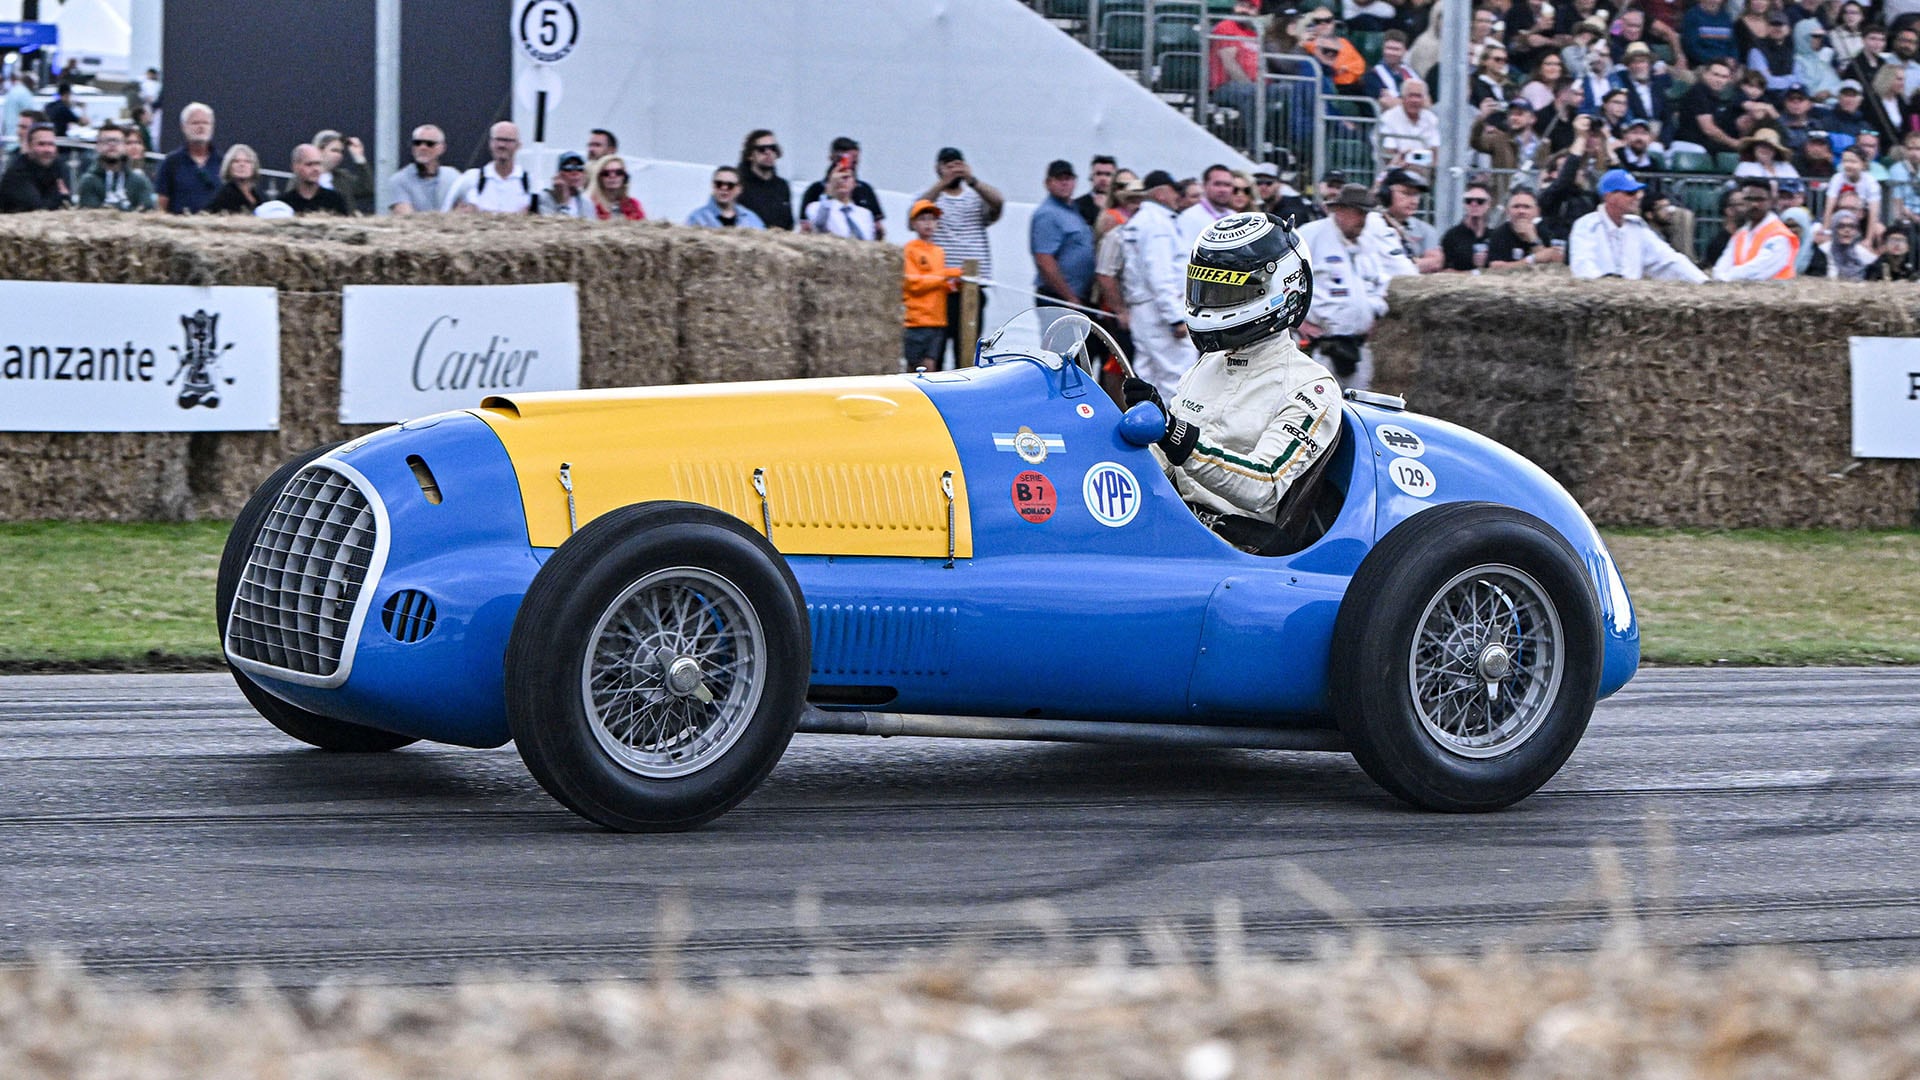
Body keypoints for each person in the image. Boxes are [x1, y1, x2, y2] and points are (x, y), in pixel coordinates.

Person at [1120, 214, 1339, 549]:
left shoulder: (1310, 386)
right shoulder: (1208, 364)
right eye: (1205, 289)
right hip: (1172, 521)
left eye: (1226, 292)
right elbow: (1164, 465)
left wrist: (1177, 437)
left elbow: (1265, 485)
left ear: (1280, 288)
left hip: (1233, 546)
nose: (1210, 303)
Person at [1295, 184, 1401, 388]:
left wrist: (1374, 313)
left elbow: (1380, 283)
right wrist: (1299, 323)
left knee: (1358, 411)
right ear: (1340, 210)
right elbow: (1282, 281)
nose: (1363, 220)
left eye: (1366, 214)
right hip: (1320, 349)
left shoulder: (1367, 243)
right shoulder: (1311, 236)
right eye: (1358, 212)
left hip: (1357, 349)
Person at [919, 146, 1002, 367]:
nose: (954, 169)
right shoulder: (933, 199)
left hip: (972, 288)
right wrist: (942, 183)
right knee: (934, 352)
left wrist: (972, 180)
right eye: (948, 165)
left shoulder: (975, 198)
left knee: (966, 350)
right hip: (940, 289)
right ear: (937, 168)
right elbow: (916, 211)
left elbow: (999, 203)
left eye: (957, 164)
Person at [1116, 170, 1192, 396]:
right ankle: (1173, 428)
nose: (1178, 196)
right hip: (1158, 310)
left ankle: (1150, 424)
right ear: (1161, 193)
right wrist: (1175, 317)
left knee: (1148, 374)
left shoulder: (1142, 220)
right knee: (1177, 374)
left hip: (1143, 308)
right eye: (1174, 191)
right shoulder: (1157, 223)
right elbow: (1159, 274)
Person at [1569, 169, 1707, 280]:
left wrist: (1702, 281)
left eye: (1638, 192)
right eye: (1630, 193)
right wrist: (1605, 284)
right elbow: (1583, 265)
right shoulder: (1586, 226)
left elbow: (1668, 260)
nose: (1638, 196)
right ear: (1609, 196)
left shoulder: (1637, 227)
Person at [901, 199, 962, 369]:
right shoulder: (910, 250)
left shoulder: (938, 251)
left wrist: (953, 285)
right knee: (915, 368)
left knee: (931, 367)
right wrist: (947, 275)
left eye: (932, 219)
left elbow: (936, 283)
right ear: (913, 224)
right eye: (923, 219)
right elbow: (913, 284)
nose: (928, 223)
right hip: (917, 321)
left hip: (938, 320)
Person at [1031, 158, 1096, 311]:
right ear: (1048, 183)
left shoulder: (1072, 209)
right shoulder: (1047, 214)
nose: (1065, 183)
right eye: (1059, 179)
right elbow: (1044, 260)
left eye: (1069, 178)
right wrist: (1069, 297)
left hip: (1074, 297)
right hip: (1057, 298)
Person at [1711, 177, 1799, 279]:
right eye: (1749, 199)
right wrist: (1720, 276)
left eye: (1760, 199)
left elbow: (1759, 270)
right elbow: (1722, 265)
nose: (1754, 204)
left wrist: (1724, 277)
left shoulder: (1779, 235)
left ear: (1771, 202)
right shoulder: (1741, 234)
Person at [799, 136, 884, 240]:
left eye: (853, 161)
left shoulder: (865, 200)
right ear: (833, 157)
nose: (843, 179)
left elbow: (876, 230)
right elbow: (814, 225)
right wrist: (830, 192)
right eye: (842, 160)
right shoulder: (815, 194)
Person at [456, 121, 538, 214]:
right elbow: (447, 211)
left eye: (507, 141)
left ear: (518, 145)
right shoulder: (471, 178)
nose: (501, 145)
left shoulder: (530, 182)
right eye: (498, 140)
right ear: (490, 143)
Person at [154, 102, 220, 214]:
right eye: (195, 123)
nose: (201, 127)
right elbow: (161, 204)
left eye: (205, 123)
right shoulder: (171, 163)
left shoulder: (223, 163)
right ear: (184, 127)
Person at [1669, 59, 1742, 155]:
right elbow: (1708, 129)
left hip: (1705, 143)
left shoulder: (1715, 96)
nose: (1719, 80)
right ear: (1705, 74)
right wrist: (1733, 143)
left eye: (1724, 77)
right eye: (1715, 75)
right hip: (1689, 143)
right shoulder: (1699, 92)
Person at [77, 123, 155, 211]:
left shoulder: (139, 181)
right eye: (106, 141)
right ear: (97, 146)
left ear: (125, 146)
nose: (112, 145)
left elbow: (147, 211)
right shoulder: (89, 181)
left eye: (117, 141)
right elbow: (89, 215)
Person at [1377, 167, 1443, 270]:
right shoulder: (1370, 225)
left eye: (1416, 195)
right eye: (1406, 193)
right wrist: (1414, 263)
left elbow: (1436, 262)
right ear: (1387, 194)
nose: (1414, 201)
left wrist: (1401, 265)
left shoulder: (1425, 230)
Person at [1485, 187, 1568, 268]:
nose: (1521, 211)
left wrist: (1533, 239)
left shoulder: (1546, 231)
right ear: (1507, 211)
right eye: (1516, 206)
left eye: (1526, 207)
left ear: (1537, 212)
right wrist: (1531, 260)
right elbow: (1495, 267)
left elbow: (1551, 265)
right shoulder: (1498, 235)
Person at [1376, 78, 1442, 169]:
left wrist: (1408, 157)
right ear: (1402, 98)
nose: (1415, 100)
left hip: (1426, 173)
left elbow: (1435, 154)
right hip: (1395, 172)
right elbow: (1389, 155)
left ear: (1424, 99)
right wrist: (1422, 157)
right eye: (1411, 96)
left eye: (1418, 96)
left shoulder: (1431, 119)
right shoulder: (1388, 118)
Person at [0, 124, 68, 212]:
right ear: (29, 147)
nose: (48, 150)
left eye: (51, 144)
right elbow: (36, 208)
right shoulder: (17, 173)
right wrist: (61, 196)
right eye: (41, 144)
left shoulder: (58, 166)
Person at [735, 129, 794, 231]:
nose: (768, 152)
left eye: (773, 148)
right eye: (762, 149)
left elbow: (789, 223)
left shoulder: (782, 186)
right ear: (750, 155)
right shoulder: (739, 184)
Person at [389, 124, 454, 214]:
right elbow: (406, 217)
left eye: (430, 144)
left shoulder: (453, 176)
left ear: (442, 148)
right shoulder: (399, 180)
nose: (423, 147)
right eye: (417, 143)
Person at [1176, 165, 1239, 251]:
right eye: (1217, 184)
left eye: (1227, 185)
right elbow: (1187, 255)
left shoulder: (1234, 216)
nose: (1223, 190)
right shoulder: (1190, 217)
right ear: (1204, 186)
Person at [801, 165, 873, 238]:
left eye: (846, 177)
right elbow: (819, 225)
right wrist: (829, 193)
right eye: (836, 179)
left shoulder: (865, 214)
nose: (841, 181)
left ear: (854, 183)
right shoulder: (816, 207)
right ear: (828, 183)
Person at [277, 144, 351, 215]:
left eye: (318, 164)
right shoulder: (284, 204)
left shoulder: (335, 200)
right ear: (295, 167)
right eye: (309, 164)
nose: (315, 169)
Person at [314, 130, 374, 215]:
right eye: (334, 150)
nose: (338, 155)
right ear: (319, 150)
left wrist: (359, 157)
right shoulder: (303, 178)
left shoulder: (343, 178)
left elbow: (367, 189)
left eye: (341, 152)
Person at [685, 165, 765, 229]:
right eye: (719, 184)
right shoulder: (697, 218)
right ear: (713, 186)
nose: (724, 188)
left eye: (730, 185)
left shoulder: (751, 219)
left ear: (739, 189)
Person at [1439, 182, 1494, 271]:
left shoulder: (1494, 236)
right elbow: (1446, 270)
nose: (1474, 204)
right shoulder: (1452, 236)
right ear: (1464, 204)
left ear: (1488, 204)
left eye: (1480, 201)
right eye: (1469, 201)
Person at [1362, 30, 1419, 106]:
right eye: (1389, 48)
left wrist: (1397, 101)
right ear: (1383, 49)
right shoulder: (1373, 75)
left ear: (1405, 51)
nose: (1392, 53)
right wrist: (1416, 103)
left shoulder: (1410, 72)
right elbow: (1387, 104)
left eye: (1396, 49)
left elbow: (1427, 101)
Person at [204, 144, 263, 214]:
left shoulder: (256, 195)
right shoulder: (225, 197)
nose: (242, 165)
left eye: (247, 161)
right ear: (229, 167)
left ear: (254, 167)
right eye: (236, 161)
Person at [585, 154, 645, 221]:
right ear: (599, 178)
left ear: (624, 177)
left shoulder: (633, 205)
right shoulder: (589, 204)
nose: (613, 176)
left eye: (618, 172)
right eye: (606, 173)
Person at [1822, 208, 1876, 277]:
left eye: (1851, 226)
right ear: (1834, 229)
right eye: (1841, 226)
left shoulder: (1861, 252)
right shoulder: (1824, 251)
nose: (1847, 230)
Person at [1736, 128, 1801, 183]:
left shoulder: (1786, 166)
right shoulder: (1745, 166)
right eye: (1761, 145)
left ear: (1775, 151)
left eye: (1769, 146)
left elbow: (1800, 188)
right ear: (1754, 148)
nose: (1765, 149)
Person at [541, 151, 592, 217]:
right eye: (569, 168)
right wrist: (562, 204)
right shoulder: (544, 198)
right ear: (559, 173)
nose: (575, 173)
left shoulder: (587, 203)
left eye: (580, 168)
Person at [1073, 154, 1118, 226]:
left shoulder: (1121, 205)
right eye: (1099, 174)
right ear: (1091, 177)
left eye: (1108, 174)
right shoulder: (1076, 205)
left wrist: (1106, 209)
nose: (1103, 178)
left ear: (1115, 178)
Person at [0, 72, 33, 153]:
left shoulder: (11, 92)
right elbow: (34, 115)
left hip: (9, 139)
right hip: (20, 143)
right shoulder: (25, 94)